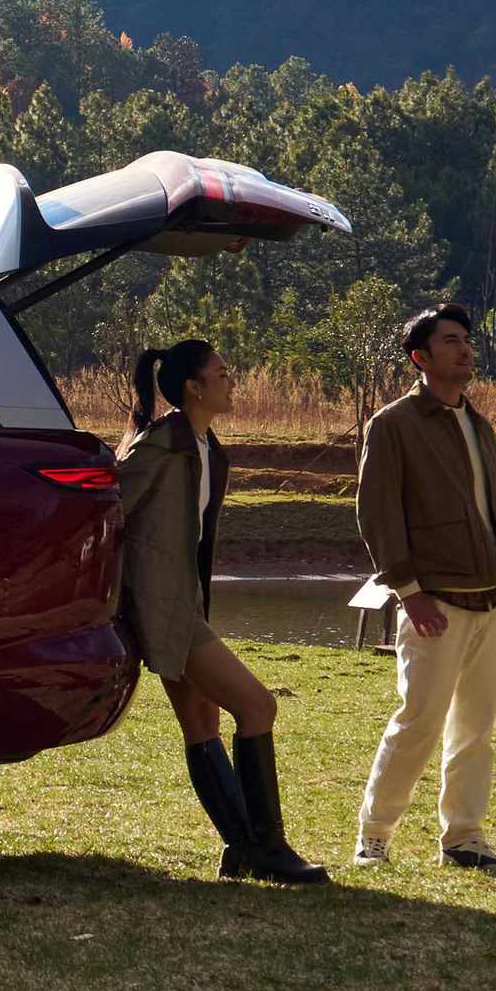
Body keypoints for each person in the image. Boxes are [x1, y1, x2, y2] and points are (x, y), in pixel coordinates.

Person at [115, 340, 329, 884]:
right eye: (223, 373)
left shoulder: (206, 447)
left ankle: (241, 848)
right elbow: (108, 514)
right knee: (258, 707)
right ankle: (270, 847)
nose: (233, 382)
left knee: (201, 724)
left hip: (185, 602)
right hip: (163, 606)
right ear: (195, 387)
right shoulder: (160, 446)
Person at [352, 302, 496, 870]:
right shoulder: (393, 424)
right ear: (420, 358)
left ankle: (464, 837)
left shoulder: (479, 425)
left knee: (476, 729)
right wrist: (410, 591)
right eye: (450, 341)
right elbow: (377, 514)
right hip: (434, 601)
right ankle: (374, 835)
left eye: (467, 340)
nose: (465, 349)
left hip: (489, 598)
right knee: (419, 722)